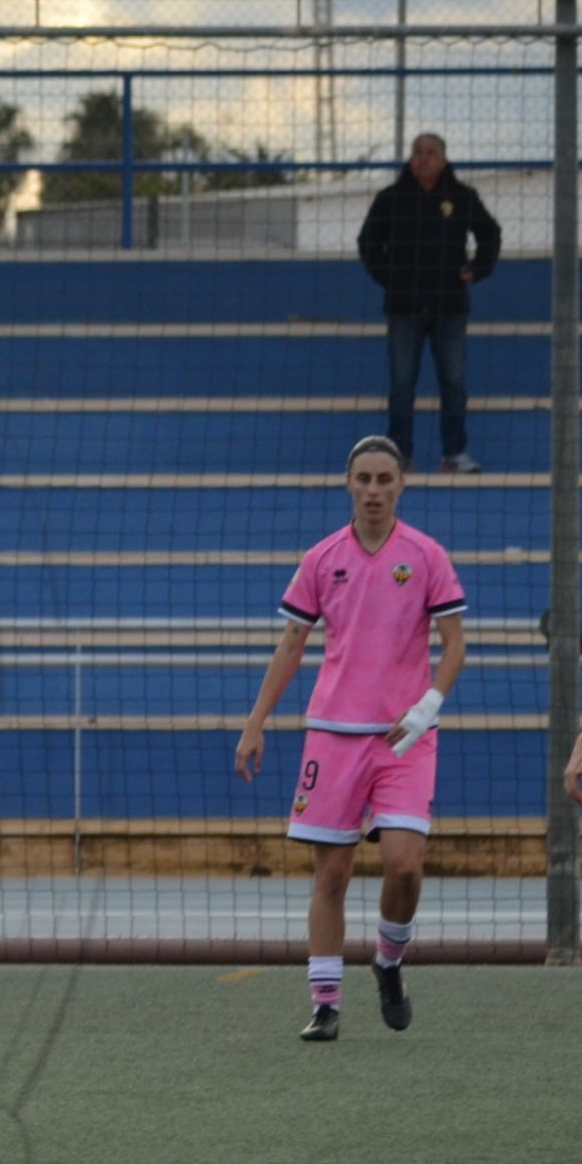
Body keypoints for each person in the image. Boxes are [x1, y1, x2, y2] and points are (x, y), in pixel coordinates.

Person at [236, 435, 465, 1042]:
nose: (373, 490)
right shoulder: (321, 558)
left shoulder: (427, 556)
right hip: (333, 737)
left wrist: (427, 706)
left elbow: (455, 645)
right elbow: (292, 644)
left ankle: (388, 960)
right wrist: (255, 722)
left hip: (404, 739)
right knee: (332, 873)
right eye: (363, 479)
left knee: (405, 867)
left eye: (384, 479)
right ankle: (326, 1004)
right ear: (348, 484)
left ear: (401, 485)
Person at [357, 133, 500, 474]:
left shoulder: (462, 197)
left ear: (444, 159)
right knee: (402, 383)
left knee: (454, 382)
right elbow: (368, 242)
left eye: (431, 152)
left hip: (450, 307)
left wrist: (477, 268)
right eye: (417, 152)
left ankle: (454, 454)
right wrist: (390, 278)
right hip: (403, 307)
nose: (423, 158)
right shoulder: (391, 198)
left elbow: (490, 234)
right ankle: (400, 454)